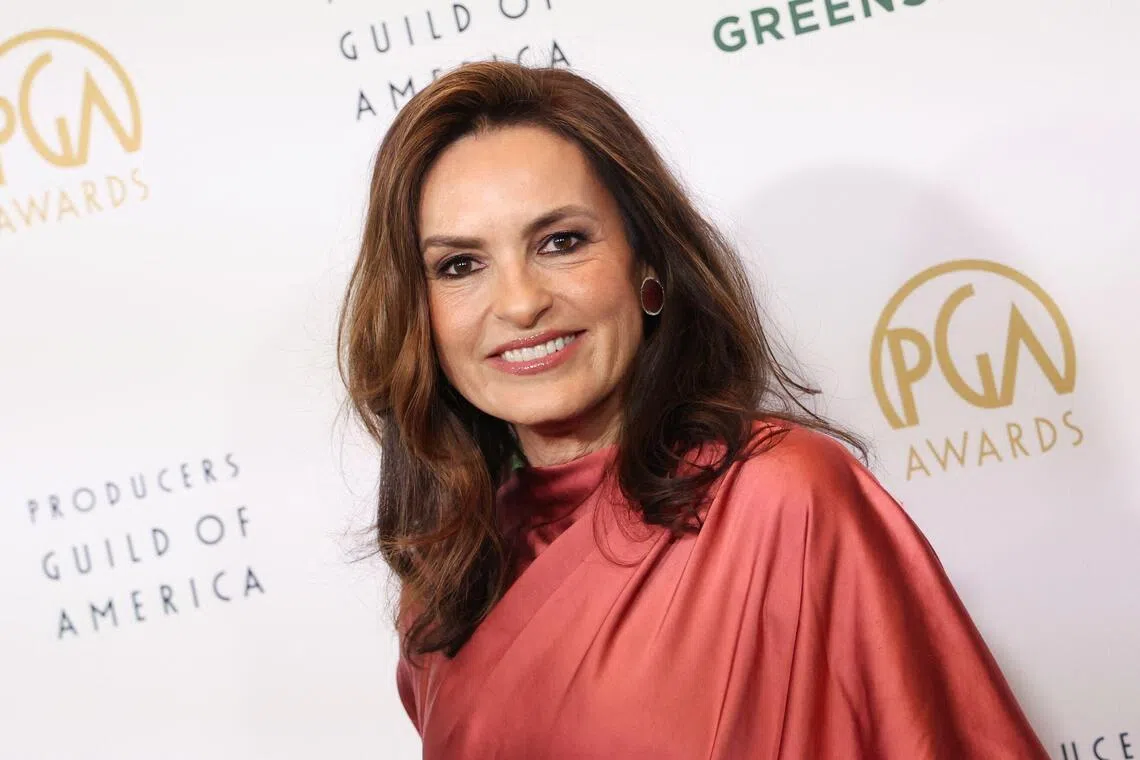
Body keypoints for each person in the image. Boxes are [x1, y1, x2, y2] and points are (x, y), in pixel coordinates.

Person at [337, 61, 1050, 758]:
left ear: (647, 265)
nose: (521, 303)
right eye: (460, 265)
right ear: (419, 315)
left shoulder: (784, 500)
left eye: (561, 242)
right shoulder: (446, 583)